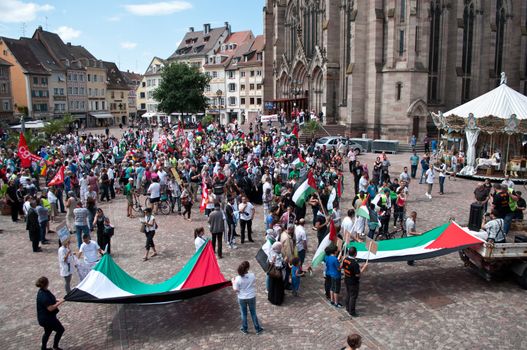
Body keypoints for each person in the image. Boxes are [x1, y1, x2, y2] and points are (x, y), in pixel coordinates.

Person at [232, 261, 264, 335]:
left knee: (244, 313)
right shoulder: (252, 275)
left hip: (241, 298)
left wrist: (233, 282)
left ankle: (245, 328)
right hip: (251, 296)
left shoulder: (237, 279)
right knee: (253, 313)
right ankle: (257, 328)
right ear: (247, 268)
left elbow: (235, 289)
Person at [35, 276, 65, 350]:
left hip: (45, 318)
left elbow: (51, 299)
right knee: (60, 330)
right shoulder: (43, 296)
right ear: (47, 283)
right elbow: (50, 308)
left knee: (47, 332)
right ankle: (55, 347)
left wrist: (58, 300)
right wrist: (61, 302)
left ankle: (43, 348)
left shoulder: (43, 291)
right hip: (47, 319)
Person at [341, 247, 368, 317]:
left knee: (348, 294)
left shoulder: (345, 259)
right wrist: (364, 268)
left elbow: (343, 267)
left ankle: (347, 308)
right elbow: (357, 274)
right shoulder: (354, 263)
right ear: (355, 253)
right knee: (353, 296)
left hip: (347, 279)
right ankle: (352, 311)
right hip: (353, 282)